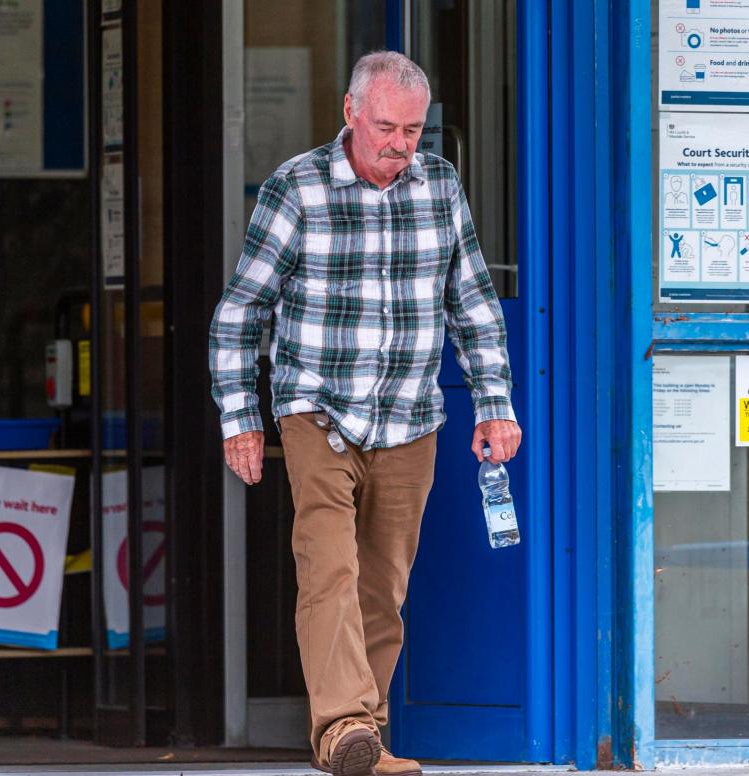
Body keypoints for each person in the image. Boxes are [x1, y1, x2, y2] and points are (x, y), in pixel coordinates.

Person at [209, 51, 521, 776]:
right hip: (317, 410)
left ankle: (358, 740)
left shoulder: (438, 184)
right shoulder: (298, 187)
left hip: (410, 414)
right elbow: (239, 315)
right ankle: (346, 725)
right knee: (330, 567)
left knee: (383, 586)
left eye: (413, 130)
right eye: (386, 127)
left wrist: (493, 404)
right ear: (350, 112)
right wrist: (241, 418)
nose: (399, 145)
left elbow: (471, 306)